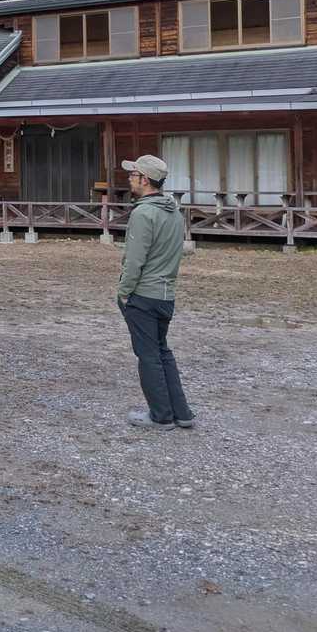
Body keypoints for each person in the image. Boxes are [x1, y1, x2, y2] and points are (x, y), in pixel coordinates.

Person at [117, 154, 196, 430]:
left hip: (143, 294)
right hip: (166, 294)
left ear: (145, 180)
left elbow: (134, 260)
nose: (130, 178)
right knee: (162, 351)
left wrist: (124, 292)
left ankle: (161, 415)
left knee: (148, 355)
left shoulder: (143, 213)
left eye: (133, 174)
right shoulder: (174, 212)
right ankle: (182, 413)